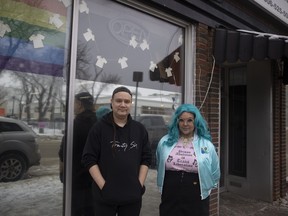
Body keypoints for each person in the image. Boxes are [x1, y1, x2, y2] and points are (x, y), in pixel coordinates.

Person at [82, 86, 152, 216]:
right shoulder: (99, 128)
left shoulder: (139, 129)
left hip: (132, 197)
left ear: (130, 104)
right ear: (111, 102)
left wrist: (139, 184)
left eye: (127, 101)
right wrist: (104, 187)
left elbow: (146, 158)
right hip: (105, 197)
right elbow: (89, 159)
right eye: (118, 101)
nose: (122, 105)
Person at [156, 104, 220, 216]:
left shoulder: (206, 145)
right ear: (177, 122)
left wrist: (207, 188)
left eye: (189, 120)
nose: (185, 124)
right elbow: (159, 163)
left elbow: (215, 171)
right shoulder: (165, 142)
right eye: (181, 120)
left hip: (197, 194)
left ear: (196, 122)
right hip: (170, 193)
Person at [58, 92, 97, 216]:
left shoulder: (75, 125)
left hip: (76, 179)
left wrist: (63, 174)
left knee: (77, 210)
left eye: (74, 103)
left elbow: (63, 153)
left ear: (80, 104)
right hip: (94, 179)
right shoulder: (99, 124)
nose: (73, 106)